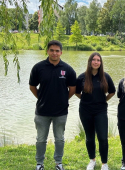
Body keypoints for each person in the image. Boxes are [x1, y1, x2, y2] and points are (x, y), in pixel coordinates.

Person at [29, 40, 76, 170]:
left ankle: (58, 163)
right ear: (47, 51)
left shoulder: (68, 69)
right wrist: (41, 97)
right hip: (42, 111)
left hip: (60, 112)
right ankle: (39, 164)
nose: (54, 53)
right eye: (52, 50)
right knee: (40, 140)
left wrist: (62, 99)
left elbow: (72, 89)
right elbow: (32, 86)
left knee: (59, 139)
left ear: (61, 52)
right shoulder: (38, 67)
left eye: (57, 51)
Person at [75, 52, 116, 170]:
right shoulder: (82, 77)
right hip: (85, 110)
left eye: (98, 60)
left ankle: (104, 163)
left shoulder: (105, 77)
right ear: (90, 61)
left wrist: (103, 100)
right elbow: (77, 92)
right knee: (89, 137)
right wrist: (86, 100)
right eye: (94, 60)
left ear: (101, 63)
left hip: (100, 111)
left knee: (103, 137)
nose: (96, 62)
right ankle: (92, 160)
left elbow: (112, 92)